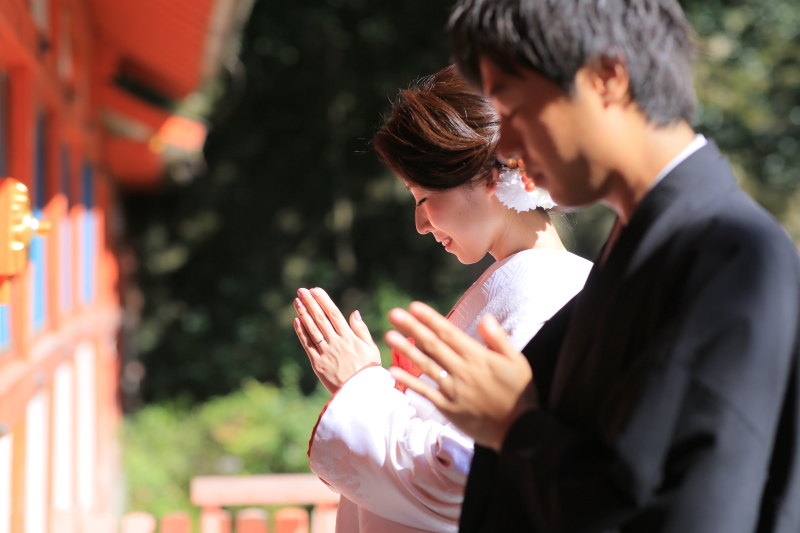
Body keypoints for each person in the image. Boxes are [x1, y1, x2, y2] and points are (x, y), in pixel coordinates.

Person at [387, 2, 800, 532]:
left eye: (512, 108)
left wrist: (516, 427)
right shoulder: (643, 248)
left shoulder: (732, 255)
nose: (506, 146)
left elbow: (691, 510)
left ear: (606, 77)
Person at [293, 65, 592, 533]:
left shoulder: (551, 295)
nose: (420, 224)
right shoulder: (529, 287)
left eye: (423, 197)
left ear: (494, 178)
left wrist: (360, 386)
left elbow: (467, 478)